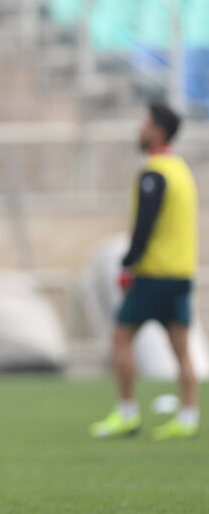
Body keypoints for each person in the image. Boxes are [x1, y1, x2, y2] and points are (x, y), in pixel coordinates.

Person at [90, 102, 200, 441]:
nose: (140, 129)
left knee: (121, 337)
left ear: (159, 131)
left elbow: (144, 226)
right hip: (181, 272)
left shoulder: (154, 172)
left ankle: (127, 412)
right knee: (181, 347)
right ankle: (188, 416)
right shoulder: (181, 170)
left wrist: (128, 264)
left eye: (145, 123)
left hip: (154, 273)